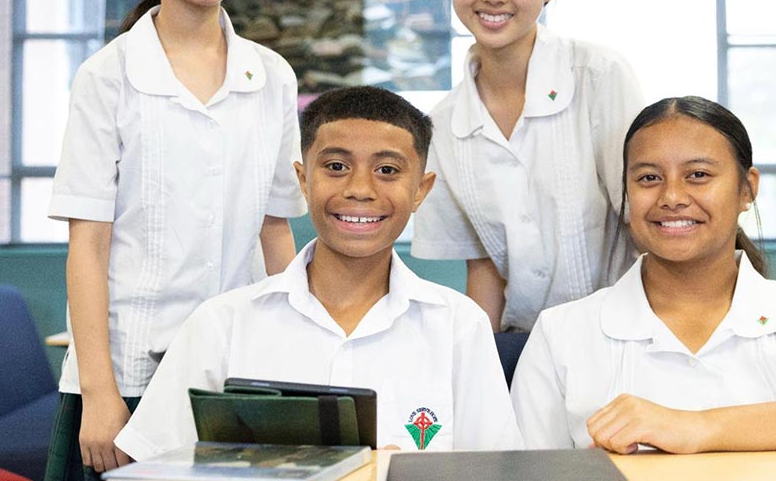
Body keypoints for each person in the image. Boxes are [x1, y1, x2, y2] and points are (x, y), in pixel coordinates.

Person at [45, 0, 306, 480]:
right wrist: (99, 394)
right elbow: (88, 246)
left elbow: (275, 233)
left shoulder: (271, 76)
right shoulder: (106, 77)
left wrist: (301, 353)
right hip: (129, 371)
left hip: (240, 372)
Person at [113, 86, 523, 460]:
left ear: (421, 189)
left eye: (387, 171)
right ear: (303, 180)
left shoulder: (457, 326)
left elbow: (494, 468)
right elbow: (153, 463)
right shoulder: (223, 323)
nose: (360, 189)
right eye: (336, 166)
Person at [510, 96, 776, 454]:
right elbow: (527, 470)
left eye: (698, 175)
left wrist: (694, 426)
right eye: (648, 178)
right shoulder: (561, 333)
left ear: (747, 189)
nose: (671, 198)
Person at [410, 0, 644, 333]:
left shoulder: (599, 76)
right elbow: (485, 271)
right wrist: (481, 369)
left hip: (629, 334)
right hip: (527, 346)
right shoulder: (441, 125)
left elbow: (650, 224)